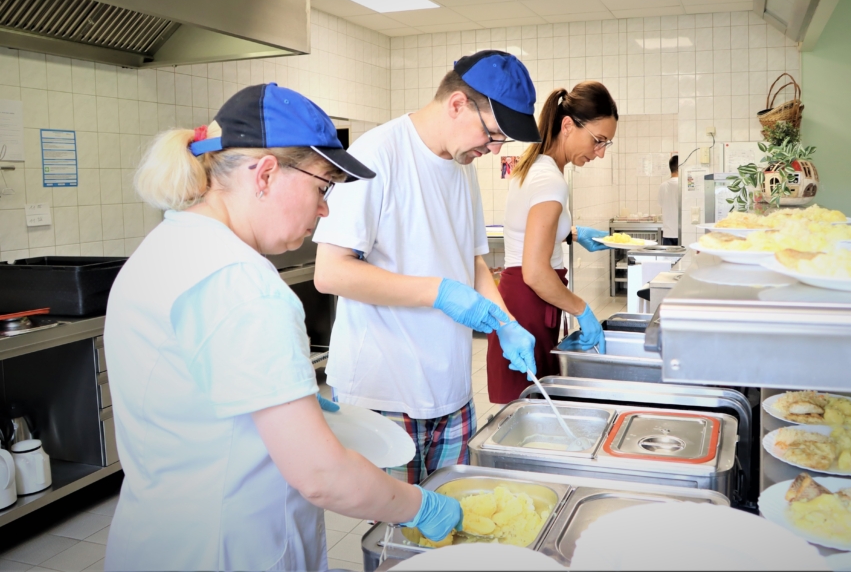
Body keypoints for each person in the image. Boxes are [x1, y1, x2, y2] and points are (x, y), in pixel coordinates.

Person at [103, 84, 462, 572]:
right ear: (266, 174)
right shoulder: (245, 286)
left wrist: (297, 404)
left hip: (157, 538)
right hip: (232, 550)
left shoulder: (165, 247)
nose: (325, 209)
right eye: (322, 187)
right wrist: (421, 506)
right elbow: (321, 475)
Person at [313, 51, 541, 484]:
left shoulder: (462, 165)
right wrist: (438, 291)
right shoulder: (377, 154)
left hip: (451, 390)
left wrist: (506, 323)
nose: (494, 150)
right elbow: (331, 272)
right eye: (493, 134)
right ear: (457, 104)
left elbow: (471, 260)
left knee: (452, 513)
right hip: (383, 391)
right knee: (396, 521)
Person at [487, 82, 619, 404]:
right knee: (526, 412)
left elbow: (531, 230)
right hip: (529, 305)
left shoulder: (537, 167)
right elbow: (534, 271)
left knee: (525, 410)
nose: (600, 152)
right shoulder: (550, 180)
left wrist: (572, 233)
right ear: (568, 125)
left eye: (606, 143)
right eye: (598, 140)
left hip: (523, 302)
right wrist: (581, 308)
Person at [659, 154, 680, 245]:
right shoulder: (683, 185)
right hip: (681, 232)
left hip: (667, 233)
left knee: (668, 255)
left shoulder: (663, 186)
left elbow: (660, 204)